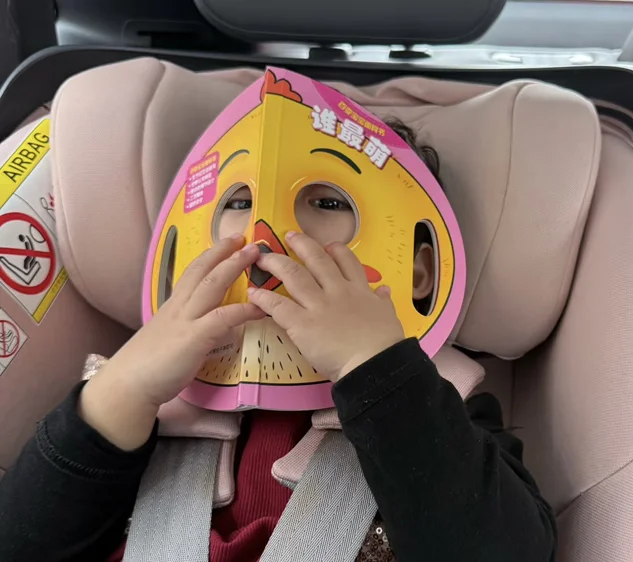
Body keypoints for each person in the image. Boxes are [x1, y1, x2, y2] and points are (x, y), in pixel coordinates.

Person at [0, 122, 557, 562]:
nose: (266, 232)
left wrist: (377, 368)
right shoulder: (144, 405)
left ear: (419, 268)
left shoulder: (442, 407)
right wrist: (123, 390)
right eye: (238, 201)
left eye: (330, 202)